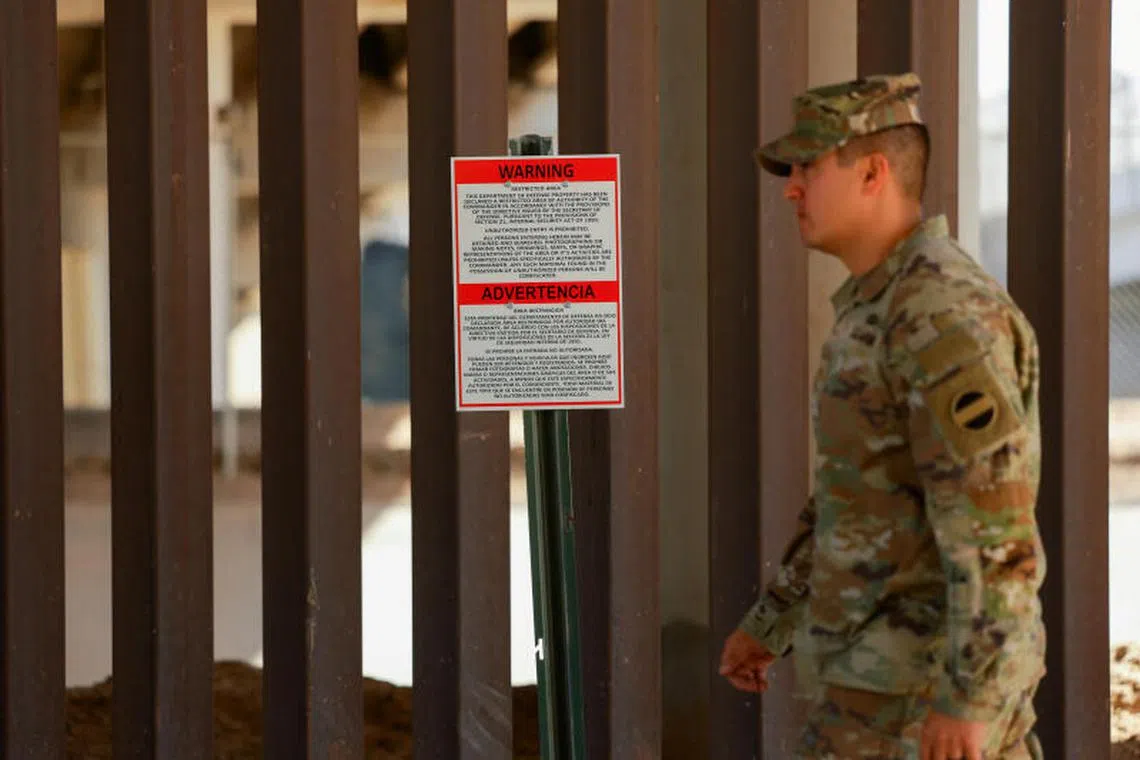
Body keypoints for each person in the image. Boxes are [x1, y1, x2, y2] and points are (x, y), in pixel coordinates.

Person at [718, 73, 1047, 760]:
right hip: (875, 698)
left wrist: (968, 704)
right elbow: (860, 493)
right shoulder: (878, 306)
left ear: (872, 171)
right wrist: (772, 620)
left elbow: (996, 535)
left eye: (808, 165)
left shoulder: (940, 314)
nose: (791, 187)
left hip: (924, 710)